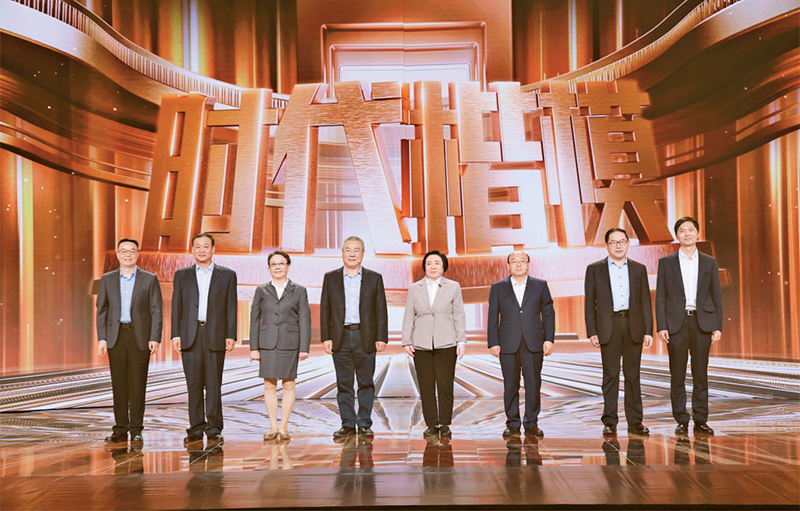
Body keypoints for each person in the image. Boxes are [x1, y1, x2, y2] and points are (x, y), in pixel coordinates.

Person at [656, 216, 722, 436]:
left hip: (702, 323)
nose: (687, 234)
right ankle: (681, 419)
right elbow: (661, 296)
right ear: (677, 235)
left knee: (700, 373)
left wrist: (717, 326)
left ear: (698, 233)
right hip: (677, 323)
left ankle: (701, 419)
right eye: (682, 230)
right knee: (677, 374)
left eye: (691, 230)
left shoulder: (709, 261)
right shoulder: (666, 262)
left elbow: (716, 295)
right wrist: (661, 325)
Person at [584, 227, 653, 436]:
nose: (618, 245)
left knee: (633, 375)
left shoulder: (639, 269)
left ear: (628, 244)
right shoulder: (594, 269)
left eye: (622, 241)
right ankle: (610, 421)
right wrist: (592, 331)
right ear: (606, 246)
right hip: (608, 326)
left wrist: (648, 331)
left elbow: (645, 302)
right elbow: (589, 303)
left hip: (633, 325)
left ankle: (635, 422)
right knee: (610, 375)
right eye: (613, 242)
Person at [172, 233, 238, 445]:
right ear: (192, 250)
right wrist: (176, 334)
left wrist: (231, 334)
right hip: (190, 335)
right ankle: (195, 427)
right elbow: (176, 306)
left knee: (213, 385)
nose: (201, 250)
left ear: (213, 249)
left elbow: (231, 307)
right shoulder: (182, 275)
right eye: (197, 246)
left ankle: (214, 428)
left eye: (205, 246)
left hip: (215, 334)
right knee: (193, 385)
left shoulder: (227, 275)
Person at [320, 236, 388, 439]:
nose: (352, 254)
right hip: (340, 337)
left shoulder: (374, 278)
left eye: (356, 250)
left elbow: (381, 310)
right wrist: (326, 337)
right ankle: (348, 423)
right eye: (348, 250)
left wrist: (381, 337)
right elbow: (325, 309)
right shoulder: (330, 278)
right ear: (342, 253)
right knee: (344, 383)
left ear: (363, 254)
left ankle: (364, 422)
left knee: (366, 382)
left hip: (364, 336)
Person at [96, 238, 162, 445]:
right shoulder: (107, 279)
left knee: (137, 385)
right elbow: (101, 310)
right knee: (119, 385)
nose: (127, 254)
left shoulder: (149, 279)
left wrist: (155, 337)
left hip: (139, 337)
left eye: (132, 251)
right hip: (116, 337)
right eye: (123, 251)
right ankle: (120, 429)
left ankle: (136, 429)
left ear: (137, 254)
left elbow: (156, 310)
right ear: (117, 254)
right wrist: (102, 338)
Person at [487, 251, 555, 438]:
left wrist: (549, 339)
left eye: (522, 261)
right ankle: (512, 423)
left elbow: (548, 313)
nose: (518, 264)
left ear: (528, 265)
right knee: (510, 385)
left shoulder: (540, 285)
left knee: (533, 384)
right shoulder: (498, 287)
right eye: (514, 261)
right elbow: (493, 316)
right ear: (508, 265)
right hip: (508, 343)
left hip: (534, 342)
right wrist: (493, 342)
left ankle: (532, 423)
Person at [401, 250, 466, 438]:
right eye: (429, 263)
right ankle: (431, 423)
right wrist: (406, 340)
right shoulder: (415, 288)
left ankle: (444, 423)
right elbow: (409, 315)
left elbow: (459, 315)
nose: (433, 266)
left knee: (445, 385)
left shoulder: (453, 287)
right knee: (426, 386)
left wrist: (461, 340)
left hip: (447, 342)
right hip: (421, 344)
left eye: (437, 263)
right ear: (424, 267)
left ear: (444, 266)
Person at [249, 250, 311, 442]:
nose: (277, 267)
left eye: (281, 263)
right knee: (269, 385)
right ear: (269, 268)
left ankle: (284, 427)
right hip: (267, 343)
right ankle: (273, 427)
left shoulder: (299, 290)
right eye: (274, 264)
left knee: (289, 384)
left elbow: (305, 320)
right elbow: (254, 319)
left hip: (289, 342)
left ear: (288, 266)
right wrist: (254, 348)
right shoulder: (261, 290)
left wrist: (304, 347)